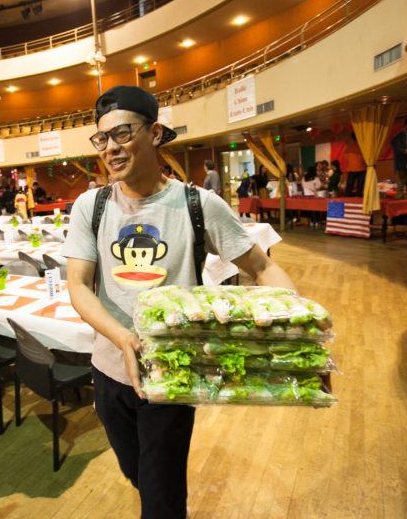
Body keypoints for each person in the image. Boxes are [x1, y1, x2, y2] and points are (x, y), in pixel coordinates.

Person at [63, 85, 296, 519]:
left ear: (154, 133)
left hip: (171, 372)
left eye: (122, 134)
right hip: (109, 367)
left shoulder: (198, 203)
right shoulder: (89, 205)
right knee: (135, 470)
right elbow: (77, 284)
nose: (111, 148)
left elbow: (262, 268)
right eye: (102, 139)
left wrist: (297, 317)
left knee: (162, 499)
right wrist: (121, 338)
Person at [344, 133, 366, 198]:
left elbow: (345, 158)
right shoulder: (363, 147)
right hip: (362, 168)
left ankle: (347, 198)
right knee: (360, 186)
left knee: (349, 186)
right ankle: (359, 197)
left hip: (351, 169)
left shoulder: (349, 147)